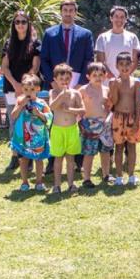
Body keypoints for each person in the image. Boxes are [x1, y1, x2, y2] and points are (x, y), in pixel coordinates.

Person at [40, 0, 94, 174]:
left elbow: (89, 59)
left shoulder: (85, 34)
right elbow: (44, 60)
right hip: (57, 82)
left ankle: (78, 160)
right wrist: (52, 81)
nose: (68, 13)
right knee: (54, 120)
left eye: (71, 10)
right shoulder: (50, 34)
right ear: (61, 12)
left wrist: (80, 84)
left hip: (77, 82)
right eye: (65, 10)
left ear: (75, 12)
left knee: (77, 119)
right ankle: (52, 161)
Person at [1, 11, 42, 171]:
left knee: (30, 121)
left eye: (23, 22)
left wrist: (24, 87)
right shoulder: (8, 43)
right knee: (14, 122)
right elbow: (4, 67)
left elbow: (35, 67)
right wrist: (16, 85)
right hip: (11, 88)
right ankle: (15, 155)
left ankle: (30, 156)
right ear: (14, 24)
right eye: (17, 22)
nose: (20, 25)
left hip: (29, 89)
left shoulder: (35, 43)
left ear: (28, 23)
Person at [10, 74, 52, 192]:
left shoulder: (42, 103)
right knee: (23, 160)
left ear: (38, 89)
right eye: (26, 89)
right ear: (22, 89)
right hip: (24, 137)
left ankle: (39, 182)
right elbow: (13, 116)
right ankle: (24, 182)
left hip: (38, 137)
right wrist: (21, 105)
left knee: (39, 159)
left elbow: (49, 118)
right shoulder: (20, 101)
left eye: (32, 89)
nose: (29, 92)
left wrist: (39, 114)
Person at [49, 63, 86, 194]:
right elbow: (52, 107)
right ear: (55, 80)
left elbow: (83, 110)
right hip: (58, 129)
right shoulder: (53, 92)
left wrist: (71, 109)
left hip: (72, 129)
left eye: (67, 79)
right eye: (61, 79)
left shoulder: (75, 93)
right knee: (58, 158)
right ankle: (57, 185)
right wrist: (60, 97)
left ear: (71, 79)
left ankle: (71, 184)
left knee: (70, 159)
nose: (64, 82)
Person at [109, 52, 140, 186]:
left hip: (132, 117)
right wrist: (115, 87)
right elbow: (115, 102)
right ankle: (118, 176)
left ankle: (131, 175)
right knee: (119, 147)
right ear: (116, 66)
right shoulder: (113, 82)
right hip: (118, 117)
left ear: (132, 65)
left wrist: (136, 121)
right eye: (121, 64)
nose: (124, 67)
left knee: (132, 147)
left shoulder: (136, 82)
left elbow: (138, 102)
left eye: (127, 64)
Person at [78, 63, 114, 186]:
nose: (98, 77)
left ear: (105, 76)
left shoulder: (107, 89)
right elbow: (78, 105)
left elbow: (110, 106)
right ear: (88, 76)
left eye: (100, 75)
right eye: (94, 75)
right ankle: (86, 179)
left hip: (104, 125)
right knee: (89, 153)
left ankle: (106, 174)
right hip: (89, 125)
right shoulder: (83, 89)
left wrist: (108, 115)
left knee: (105, 152)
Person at [95, 5, 140, 81]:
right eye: (116, 16)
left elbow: (135, 61)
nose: (119, 19)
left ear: (126, 19)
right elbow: (101, 62)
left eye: (122, 17)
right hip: (107, 82)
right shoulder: (102, 37)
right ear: (111, 18)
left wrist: (123, 77)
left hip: (127, 82)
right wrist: (114, 79)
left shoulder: (133, 37)